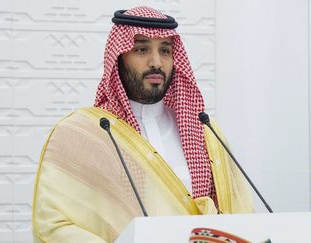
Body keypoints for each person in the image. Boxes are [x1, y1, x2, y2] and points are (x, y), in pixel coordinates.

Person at [32, 6, 253, 242]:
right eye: (141, 49)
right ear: (118, 58)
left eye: (165, 50)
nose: (156, 62)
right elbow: (54, 225)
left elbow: (240, 213)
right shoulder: (83, 133)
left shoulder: (205, 131)